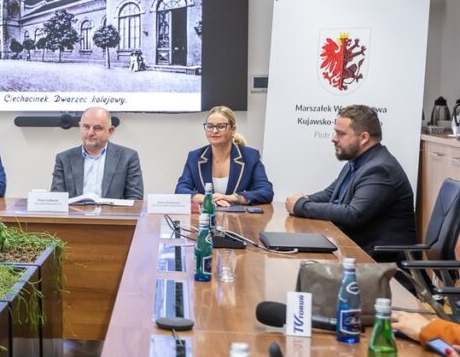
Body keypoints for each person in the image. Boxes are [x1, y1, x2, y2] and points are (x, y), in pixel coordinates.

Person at [285, 104, 416, 260]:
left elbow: (353, 214)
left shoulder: (381, 169)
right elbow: (330, 194)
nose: (334, 138)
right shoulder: (357, 161)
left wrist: (301, 206)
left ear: (364, 138)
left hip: (379, 263)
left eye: (340, 134)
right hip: (353, 251)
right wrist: (303, 200)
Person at [174, 105, 273, 206]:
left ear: (233, 129)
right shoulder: (194, 157)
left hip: (238, 215)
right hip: (206, 214)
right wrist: (206, 199)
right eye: (210, 126)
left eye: (221, 126)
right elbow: (180, 189)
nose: (214, 131)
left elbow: (266, 191)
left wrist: (234, 198)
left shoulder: (250, 156)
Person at [50, 106, 143, 200]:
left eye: (97, 128)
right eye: (86, 127)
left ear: (110, 131)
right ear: (80, 127)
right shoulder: (64, 159)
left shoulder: (128, 157)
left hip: (112, 210)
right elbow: (56, 200)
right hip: (74, 210)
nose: (90, 133)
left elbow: (135, 200)